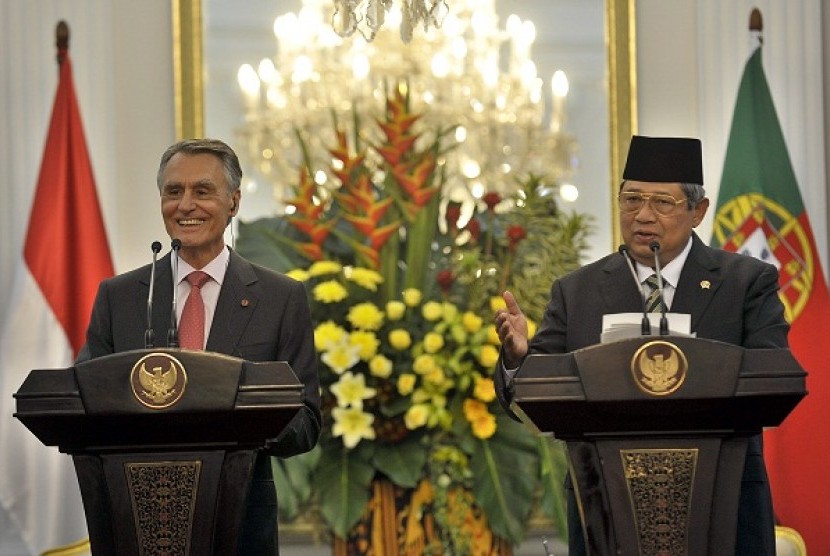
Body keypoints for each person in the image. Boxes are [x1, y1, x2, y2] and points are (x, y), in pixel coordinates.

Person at [494, 135, 788, 555]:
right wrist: (519, 359)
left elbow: (771, 373)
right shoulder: (578, 291)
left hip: (723, 499)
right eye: (631, 200)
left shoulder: (745, 283)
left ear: (697, 211)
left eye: (662, 203)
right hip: (605, 504)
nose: (642, 215)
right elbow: (533, 391)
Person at [77, 138, 321, 555]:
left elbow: (307, 423)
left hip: (240, 527)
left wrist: (241, 424)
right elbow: (80, 403)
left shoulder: (280, 298)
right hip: (135, 524)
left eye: (202, 191)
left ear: (234, 202)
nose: (185, 204)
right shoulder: (120, 297)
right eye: (174, 192)